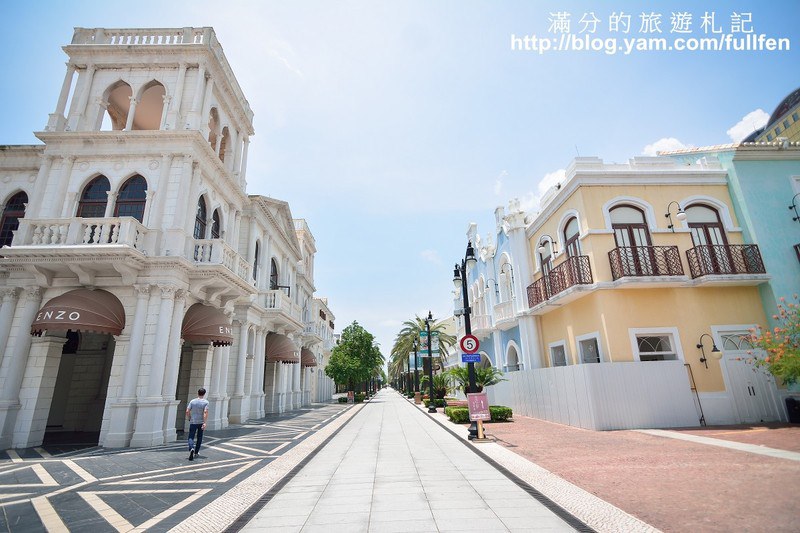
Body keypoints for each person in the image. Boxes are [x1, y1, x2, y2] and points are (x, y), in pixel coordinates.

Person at [186, 388, 209, 461]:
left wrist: (189, 417)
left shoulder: (192, 401)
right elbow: (205, 412)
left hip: (193, 421)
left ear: (197, 393)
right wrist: (204, 422)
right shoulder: (206, 402)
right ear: (204, 394)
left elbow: (187, 411)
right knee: (199, 437)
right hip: (201, 422)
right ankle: (196, 452)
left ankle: (191, 448)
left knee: (191, 436)